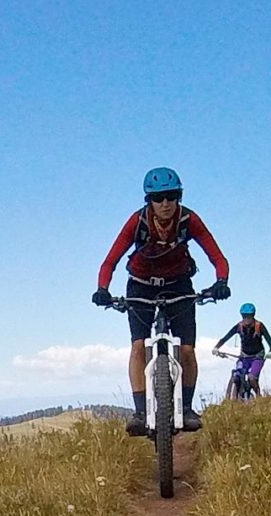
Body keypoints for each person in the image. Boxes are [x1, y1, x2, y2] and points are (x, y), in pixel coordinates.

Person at [93, 166, 230, 434]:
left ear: (179, 196)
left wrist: (221, 282)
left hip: (179, 285)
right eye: (158, 198)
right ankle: (141, 412)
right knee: (138, 346)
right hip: (141, 287)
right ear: (149, 201)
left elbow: (217, 257)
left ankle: (187, 408)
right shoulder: (137, 222)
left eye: (171, 196)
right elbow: (110, 261)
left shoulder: (189, 220)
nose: (165, 203)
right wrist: (102, 289)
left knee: (188, 349)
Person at [213, 303, 271, 400]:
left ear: (253, 316)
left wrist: (270, 352)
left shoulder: (259, 326)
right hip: (244, 357)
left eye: (249, 316)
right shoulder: (239, 326)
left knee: (251, 378)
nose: (247, 319)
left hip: (257, 357)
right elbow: (225, 338)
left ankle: (259, 397)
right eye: (244, 316)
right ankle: (233, 399)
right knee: (237, 375)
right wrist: (216, 348)